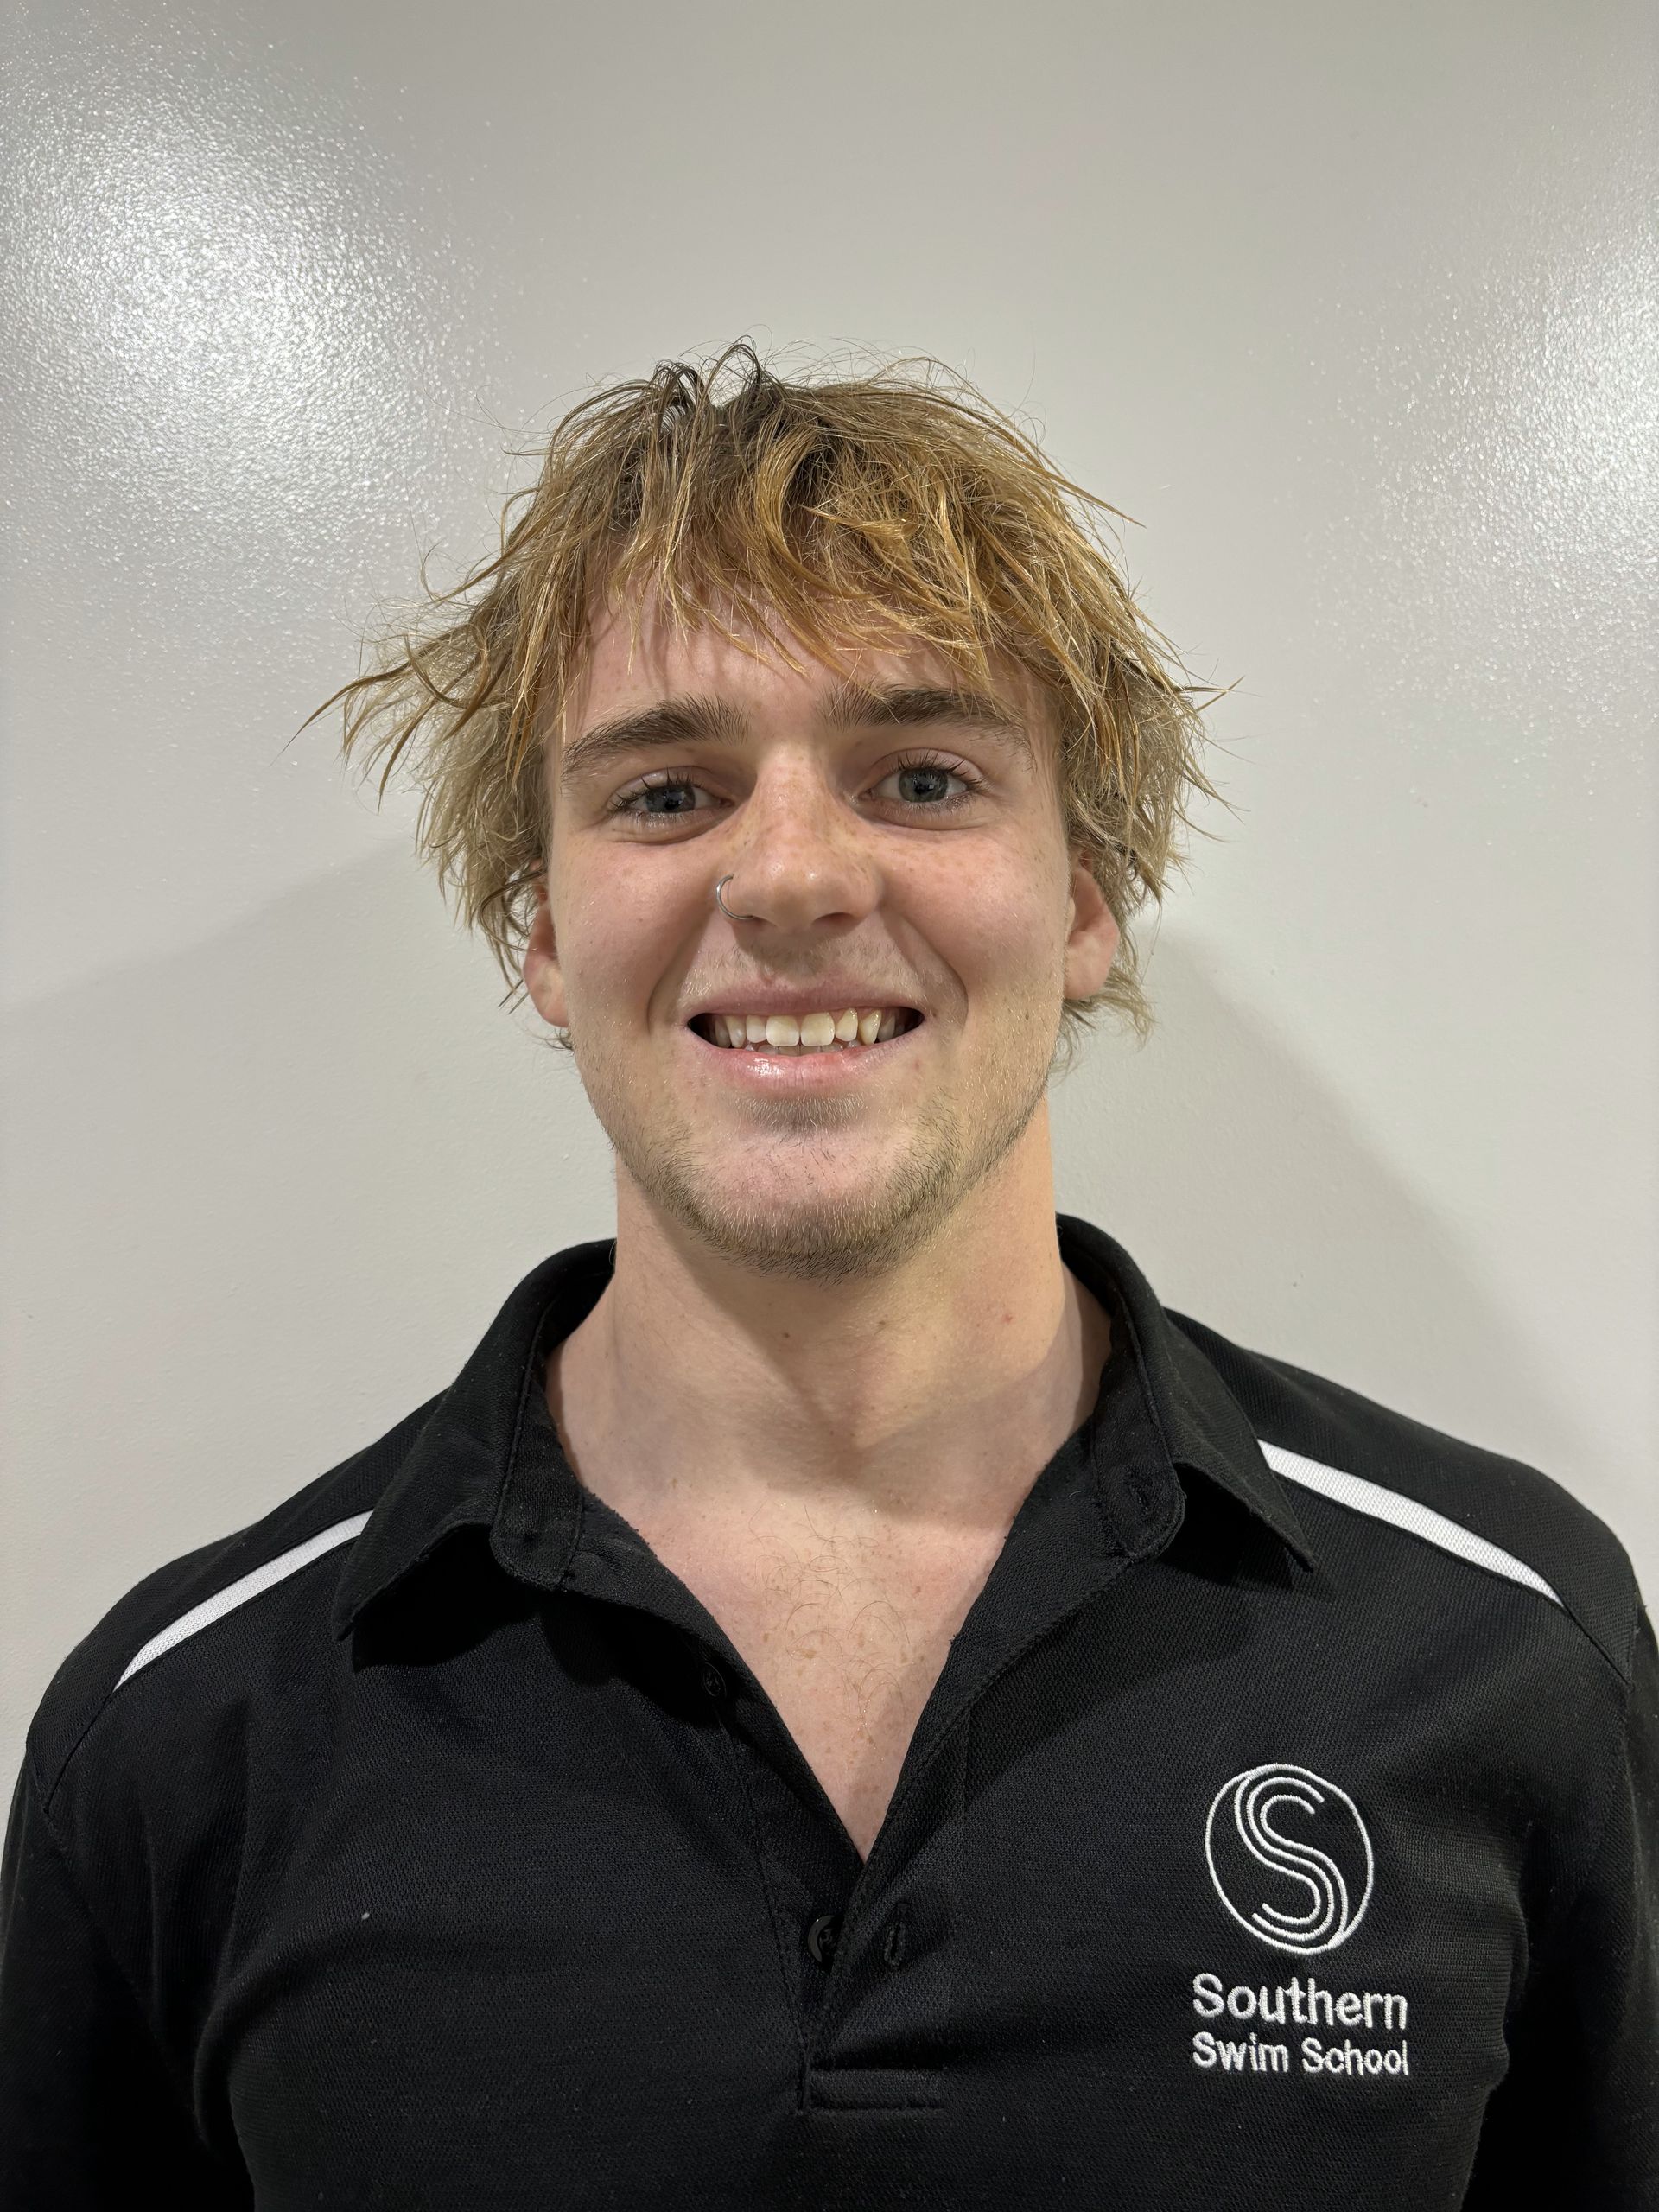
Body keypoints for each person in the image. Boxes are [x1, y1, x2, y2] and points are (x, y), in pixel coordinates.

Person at [2, 341, 1653, 2211]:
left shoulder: (1504, 1643)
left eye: (924, 773)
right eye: (665, 794)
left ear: (1089, 896)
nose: (788, 875)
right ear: (542, 927)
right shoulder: (182, 1730)